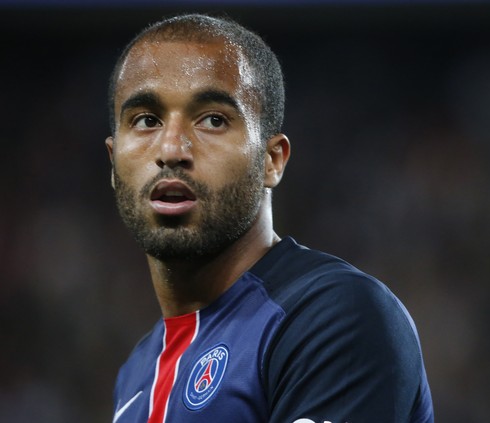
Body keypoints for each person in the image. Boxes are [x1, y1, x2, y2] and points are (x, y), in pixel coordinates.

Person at [105, 12, 433, 423]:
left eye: (212, 120)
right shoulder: (136, 375)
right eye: (146, 121)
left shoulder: (335, 317)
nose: (171, 148)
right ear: (113, 162)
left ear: (271, 161)